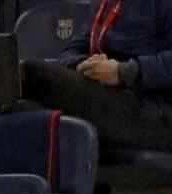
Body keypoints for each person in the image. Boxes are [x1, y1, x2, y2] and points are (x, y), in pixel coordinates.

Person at [20, 0, 172, 151]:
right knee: (19, 108)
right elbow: (72, 49)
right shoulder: (106, 4)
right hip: (110, 93)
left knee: (33, 74)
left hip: (154, 110)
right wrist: (87, 65)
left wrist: (121, 72)